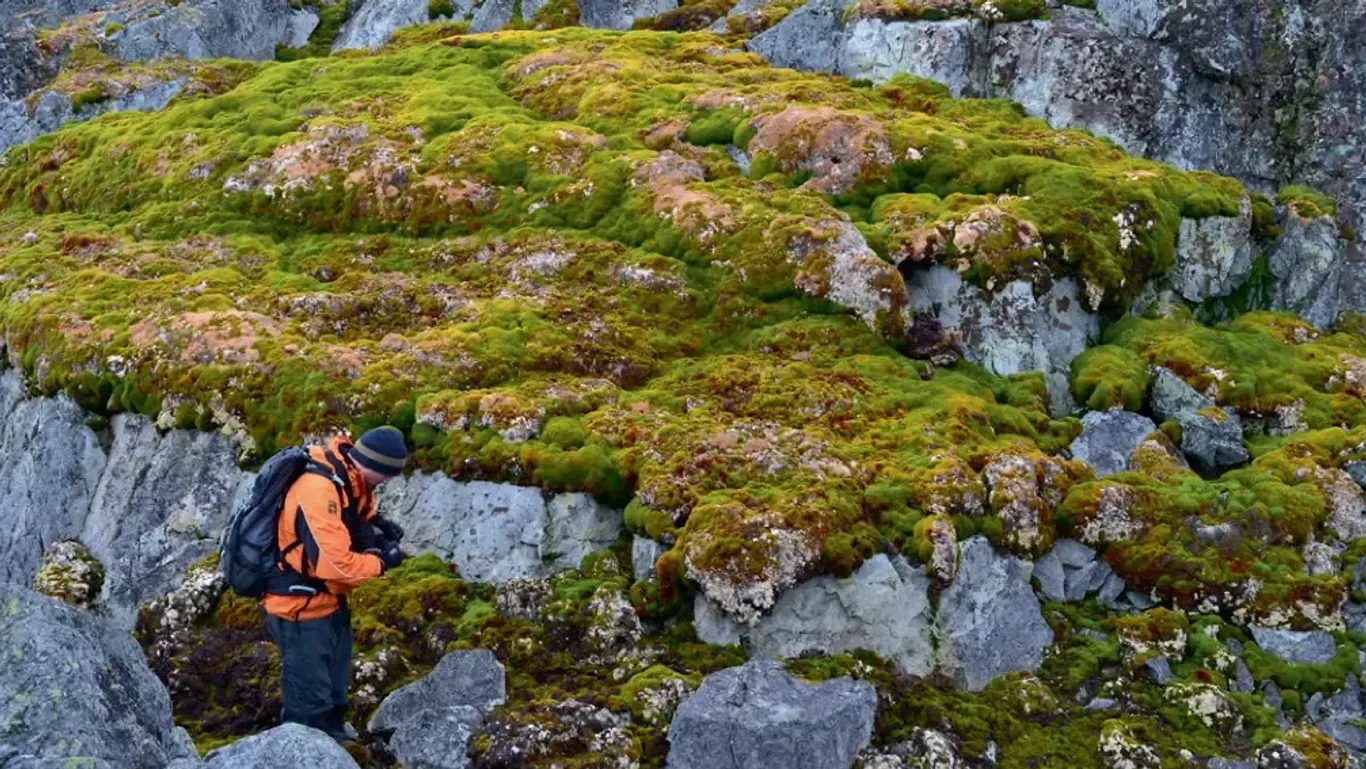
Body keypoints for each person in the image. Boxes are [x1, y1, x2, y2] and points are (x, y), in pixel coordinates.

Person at [261, 425, 409, 742]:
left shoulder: (348, 479)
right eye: (388, 474)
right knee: (308, 707)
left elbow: (355, 519)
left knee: (334, 699)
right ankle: (299, 755)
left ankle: (335, 743)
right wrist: (382, 563)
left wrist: (376, 531)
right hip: (298, 608)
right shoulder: (318, 489)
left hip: (328, 603)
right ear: (376, 465)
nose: (389, 482)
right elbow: (334, 565)